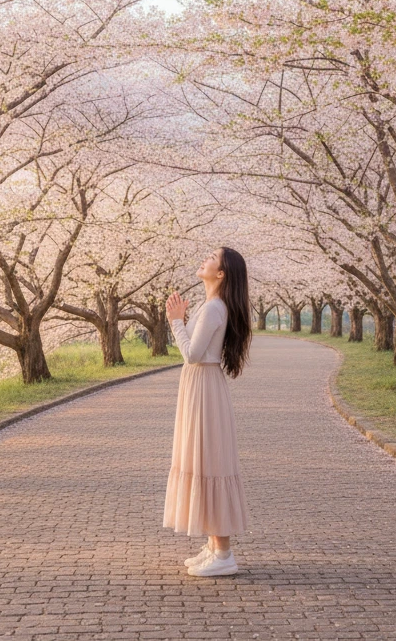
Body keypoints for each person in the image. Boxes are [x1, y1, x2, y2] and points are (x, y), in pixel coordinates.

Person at [163, 247, 251, 577]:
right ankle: (215, 546)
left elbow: (192, 354)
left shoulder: (215, 307)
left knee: (211, 461)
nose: (204, 258)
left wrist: (175, 322)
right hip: (201, 386)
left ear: (221, 273)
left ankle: (224, 553)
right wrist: (183, 319)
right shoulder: (210, 305)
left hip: (203, 385)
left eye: (212, 257)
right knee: (204, 459)